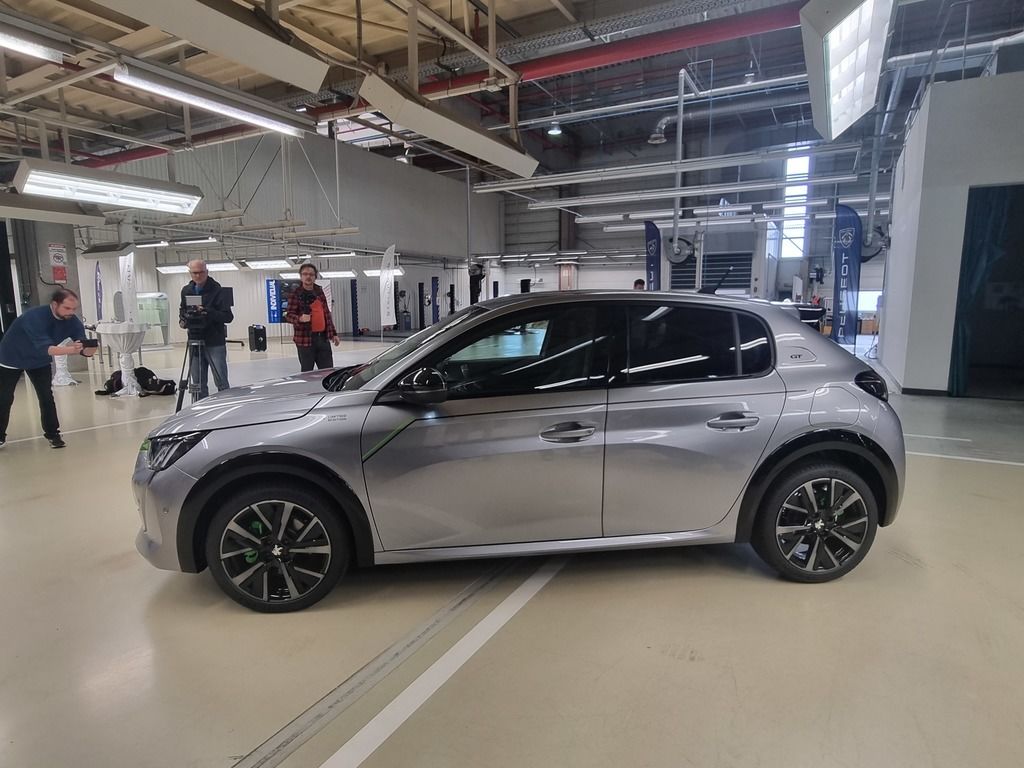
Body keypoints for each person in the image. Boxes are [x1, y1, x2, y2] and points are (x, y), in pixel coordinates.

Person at [0, 288, 97, 449]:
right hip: (11, 357)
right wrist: (72, 349)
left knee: (46, 396)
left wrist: (89, 349)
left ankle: (53, 434)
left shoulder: (72, 320)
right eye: (67, 308)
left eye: (74, 309)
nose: (71, 312)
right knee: (4, 397)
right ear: (54, 304)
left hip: (39, 361)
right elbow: (47, 349)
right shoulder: (34, 317)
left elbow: (82, 346)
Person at [178, 259, 233, 400]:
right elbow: (183, 309)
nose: (198, 276)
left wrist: (207, 311)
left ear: (207, 272)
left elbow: (228, 317)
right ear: (190, 273)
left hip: (214, 341)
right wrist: (183, 319)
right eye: (194, 273)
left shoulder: (218, 290)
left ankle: (225, 404)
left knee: (221, 380)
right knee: (197, 383)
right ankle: (199, 407)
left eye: (201, 272)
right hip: (194, 339)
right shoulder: (186, 290)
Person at [285, 263, 340, 371]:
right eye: (305, 274)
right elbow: (289, 315)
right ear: (301, 276)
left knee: (327, 372)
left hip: (323, 339)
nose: (308, 276)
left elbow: (326, 314)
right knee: (307, 372)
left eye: (311, 274)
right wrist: (300, 319)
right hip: (305, 340)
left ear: (315, 277)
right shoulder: (295, 293)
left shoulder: (319, 291)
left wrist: (333, 334)